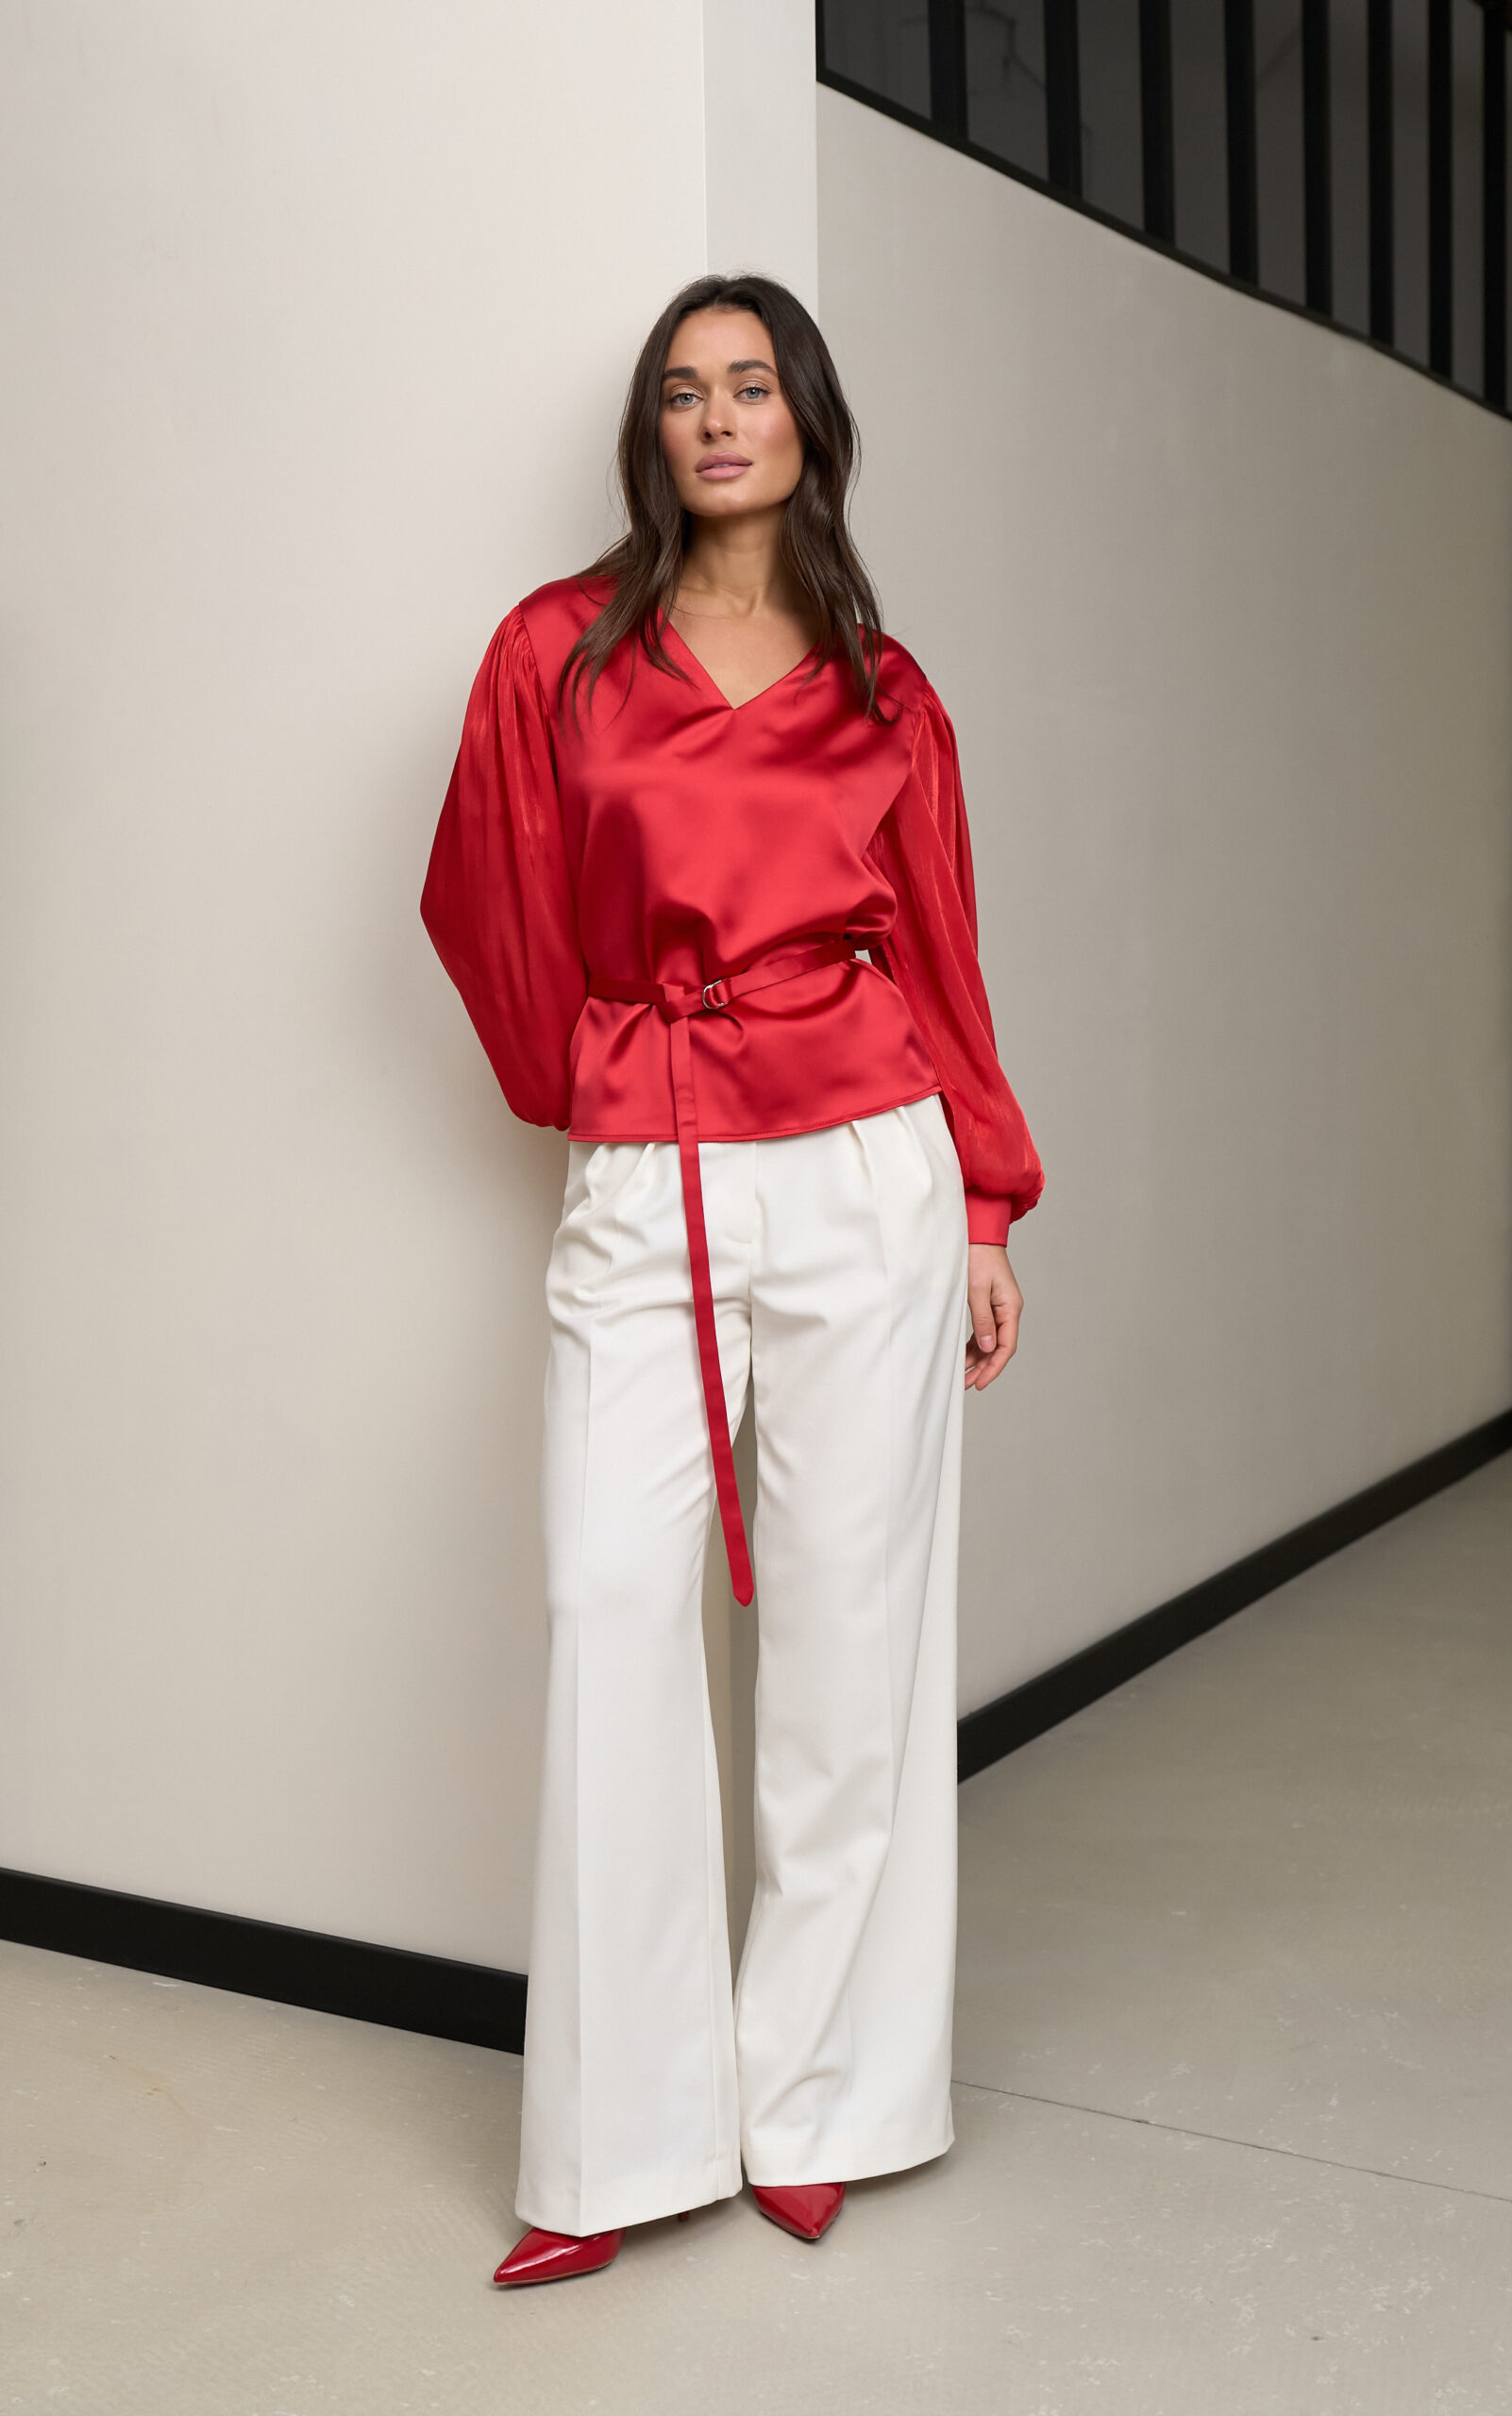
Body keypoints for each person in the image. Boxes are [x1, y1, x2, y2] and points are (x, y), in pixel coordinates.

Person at [422, 272, 1042, 2286]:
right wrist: (598, 1068)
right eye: (682, 390)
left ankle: (818, 2101)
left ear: (805, 422)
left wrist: (984, 1202)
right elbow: (488, 895)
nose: (714, 418)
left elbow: (939, 949)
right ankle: (614, 2140)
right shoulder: (555, 652)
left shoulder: (887, 689)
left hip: (868, 1171)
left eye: (749, 384)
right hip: (652, 1163)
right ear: (651, 432)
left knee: (852, 1642)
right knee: (611, 1602)